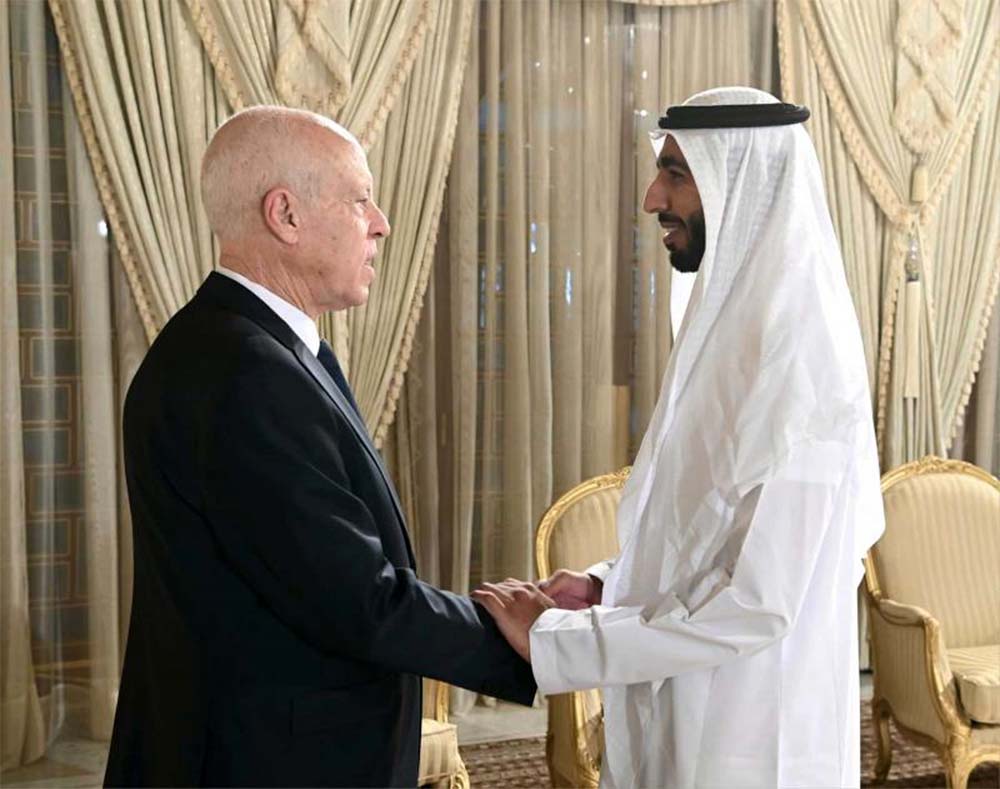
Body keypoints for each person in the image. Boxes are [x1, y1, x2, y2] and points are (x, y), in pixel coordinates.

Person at [104, 106, 545, 789]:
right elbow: (354, 599)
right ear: (285, 215)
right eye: (360, 198)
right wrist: (528, 637)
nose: (381, 223)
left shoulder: (260, 345)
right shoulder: (243, 371)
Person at [473, 87, 885, 788]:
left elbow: (761, 604)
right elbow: (709, 524)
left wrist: (561, 640)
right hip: (684, 705)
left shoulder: (803, 361)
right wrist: (609, 584)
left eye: (676, 174)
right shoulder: (731, 327)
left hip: (753, 737)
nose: (651, 197)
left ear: (742, 184)